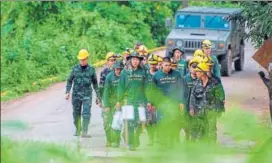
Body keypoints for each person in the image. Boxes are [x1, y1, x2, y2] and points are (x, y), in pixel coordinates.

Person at [151, 57, 185, 148]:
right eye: (166, 65)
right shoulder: (156, 75)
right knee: (162, 122)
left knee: (173, 122)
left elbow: (181, 88)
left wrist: (181, 101)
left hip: (174, 103)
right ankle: (162, 142)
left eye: (169, 65)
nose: (168, 67)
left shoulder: (177, 74)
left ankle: (172, 142)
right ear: (162, 64)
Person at [65, 49, 100, 137]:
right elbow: (69, 81)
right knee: (76, 113)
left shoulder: (91, 70)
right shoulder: (75, 69)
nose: (82, 61)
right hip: (76, 95)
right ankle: (78, 129)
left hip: (87, 95)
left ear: (87, 58)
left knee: (86, 113)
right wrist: (67, 92)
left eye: (84, 59)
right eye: (81, 59)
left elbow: (95, 83)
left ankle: (84, 131)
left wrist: (98, 96)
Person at [116, 51, 147, 151]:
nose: (135, 61)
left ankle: (135, 138)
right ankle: (131, 143)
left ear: (139, 61)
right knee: (129, 122)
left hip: (140, 101)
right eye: (133, 59)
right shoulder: (125, 72)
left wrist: (148, 101)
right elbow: (120, 87)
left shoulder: (143, 72)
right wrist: (118, 100)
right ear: (130, 60)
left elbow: (146, 87)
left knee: (139, 122)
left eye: (137, 60)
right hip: (128, 101)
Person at [189, 62, 225, 142]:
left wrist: (219, 110)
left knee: (211, 129)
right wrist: (191, 108)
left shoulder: (214, 83)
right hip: (199, 111)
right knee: (200, 129)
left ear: (203, 72)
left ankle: (211, 147)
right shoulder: (196, 83)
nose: (196, 72)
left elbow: (220, 98)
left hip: (211, 111)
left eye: (198, 71)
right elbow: (192, 96)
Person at [103, 61, 124, 147]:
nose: (118, 71)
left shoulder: (125, 77)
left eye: (120, 69)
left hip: (121, 103)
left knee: (118, 122)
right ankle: (109, 140)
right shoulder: (109, 77)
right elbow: (106, 92)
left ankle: (117, 141)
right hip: (111, 103)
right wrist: (106, 105)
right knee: (107, 122)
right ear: (114, 68)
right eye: (117, 69)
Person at [183, 56, 201, 140]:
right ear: (189, 68)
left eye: (196, 67)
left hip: (197, 106)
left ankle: (194, 139)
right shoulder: (185, 79)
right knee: (186, 123)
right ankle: (187, 137)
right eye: (193, 67)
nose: (194, 69)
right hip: (186, 105)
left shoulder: (201, 79)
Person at [145, 54, 159, 146]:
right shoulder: (145, 74)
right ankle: (151, 138)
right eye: (151, 64)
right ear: (148, 63)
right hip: (146, 101)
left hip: (157, 102)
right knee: (148, 121)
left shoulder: (159, 74)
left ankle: (157, 138)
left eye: (154, 64)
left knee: (157, 121)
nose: (153, 65)